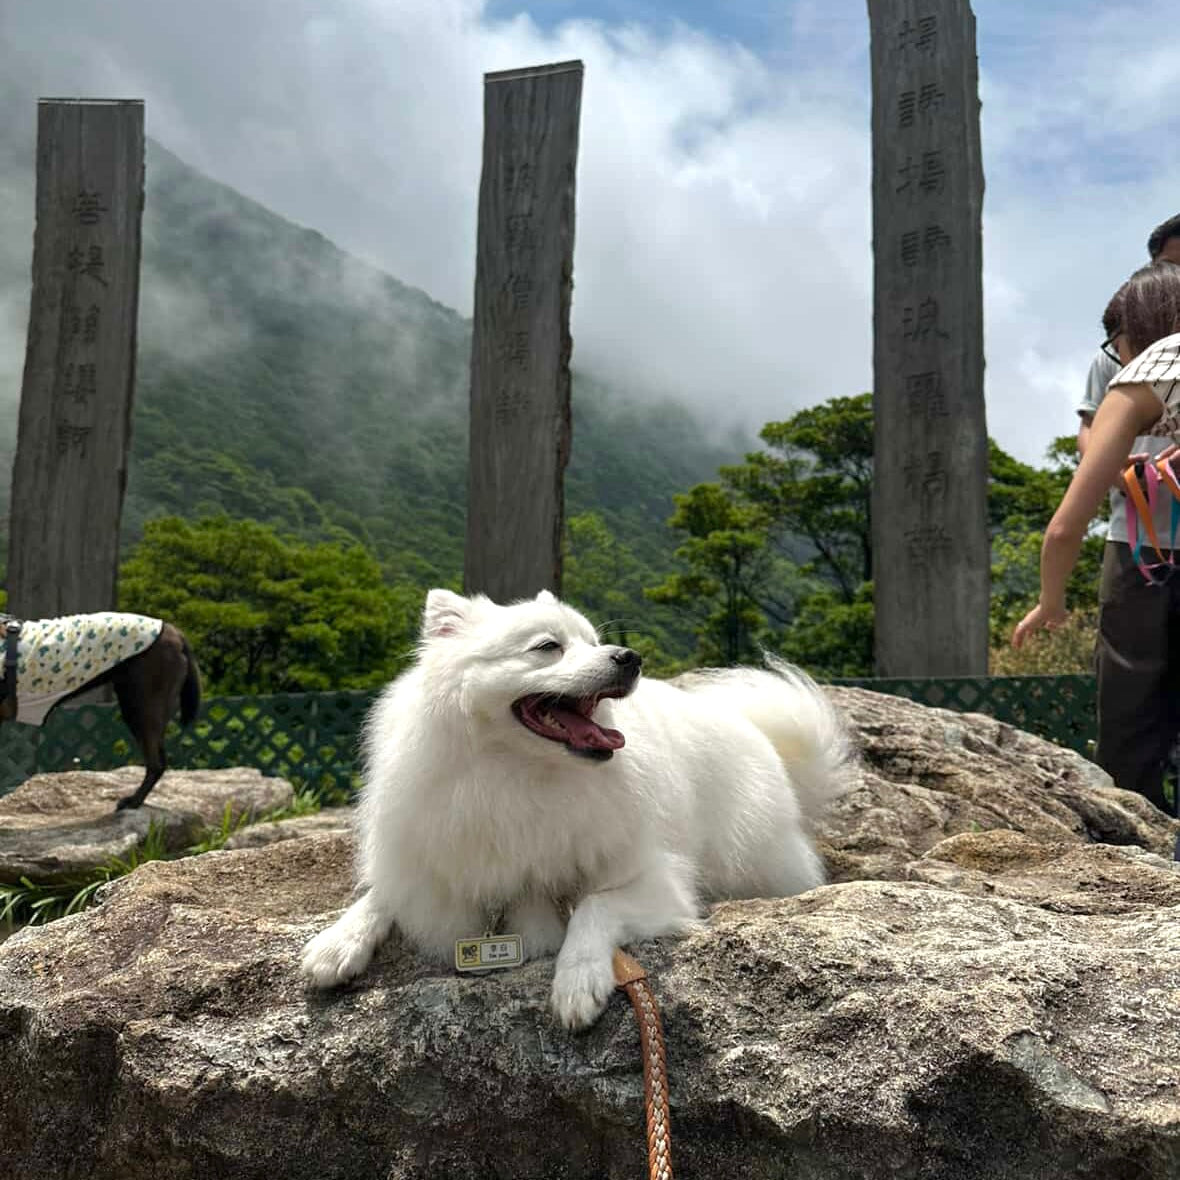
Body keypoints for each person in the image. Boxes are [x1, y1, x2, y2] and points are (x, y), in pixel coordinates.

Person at [1013, 259, 1180, 810]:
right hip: (1146, 541)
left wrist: (1050, 602)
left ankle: (1139, 841)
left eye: (1117, 343)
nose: (1117, 356)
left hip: (1141, 554)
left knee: (1131, 720)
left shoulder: (1143, 374)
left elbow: (1065, 527)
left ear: (1138, 329)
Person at [1071, 215, 1180, 806]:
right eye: (1170, 265)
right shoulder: (1121, 346)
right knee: (1127, 691)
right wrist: (1113, 470)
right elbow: (1090, 429)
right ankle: (1133, 819)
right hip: (1135, 537)